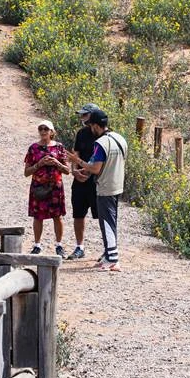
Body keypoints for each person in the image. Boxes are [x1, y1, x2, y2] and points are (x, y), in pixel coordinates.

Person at [65, 110, 128, 271]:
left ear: (94, 125)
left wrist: (76, 161)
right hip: (117, 184)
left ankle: (112, 259)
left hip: (105, 187)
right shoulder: (119, 138)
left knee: (106, 222)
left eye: (90, 124)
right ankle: (108, 254)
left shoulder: (101, 143)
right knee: (111, 220)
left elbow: (95, 167)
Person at [23, 119, 70, 256]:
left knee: (57, 216)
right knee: (38, 216)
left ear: (51, 132)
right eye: (41, 129)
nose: (43, 131)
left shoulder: (59, 147)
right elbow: (26, 172)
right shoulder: (33, 148)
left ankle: (59, 245)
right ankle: (37, 245)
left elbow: (67, 170)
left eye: (46, 129)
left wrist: (56, 163)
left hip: (55, 187)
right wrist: (39, 164)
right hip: (38, 186)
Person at [67, 103, 102, 260]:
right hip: (80, 180)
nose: (82, 118)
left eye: (85, 115)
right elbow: (76, 153)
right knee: (78, 214)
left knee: (102, 215)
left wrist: (88, 171)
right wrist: (74, 171)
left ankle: (108, 249)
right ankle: (80, 247)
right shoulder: (81, 133)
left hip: (98, 181)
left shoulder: (104, 135)